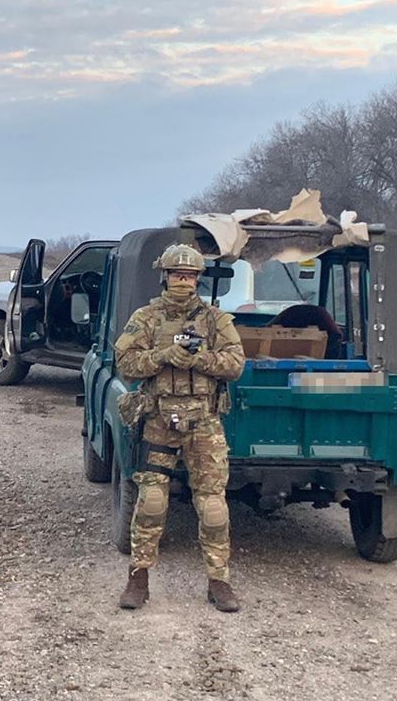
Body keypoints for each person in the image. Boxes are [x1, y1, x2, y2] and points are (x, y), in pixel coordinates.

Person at [113, 244, 246, 612]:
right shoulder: (146, 318)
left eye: (189, 276)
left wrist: (199, 358)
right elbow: (125, 362)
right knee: (152, 502)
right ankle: (138, 578)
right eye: (177, 275)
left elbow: (235, 365)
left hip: (204, 421)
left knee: (213, 506)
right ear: (165, 276)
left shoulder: (216, 319)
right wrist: (162, 357)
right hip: (159, 419)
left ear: (198, 279)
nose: (183, 282)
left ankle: (219, 581)